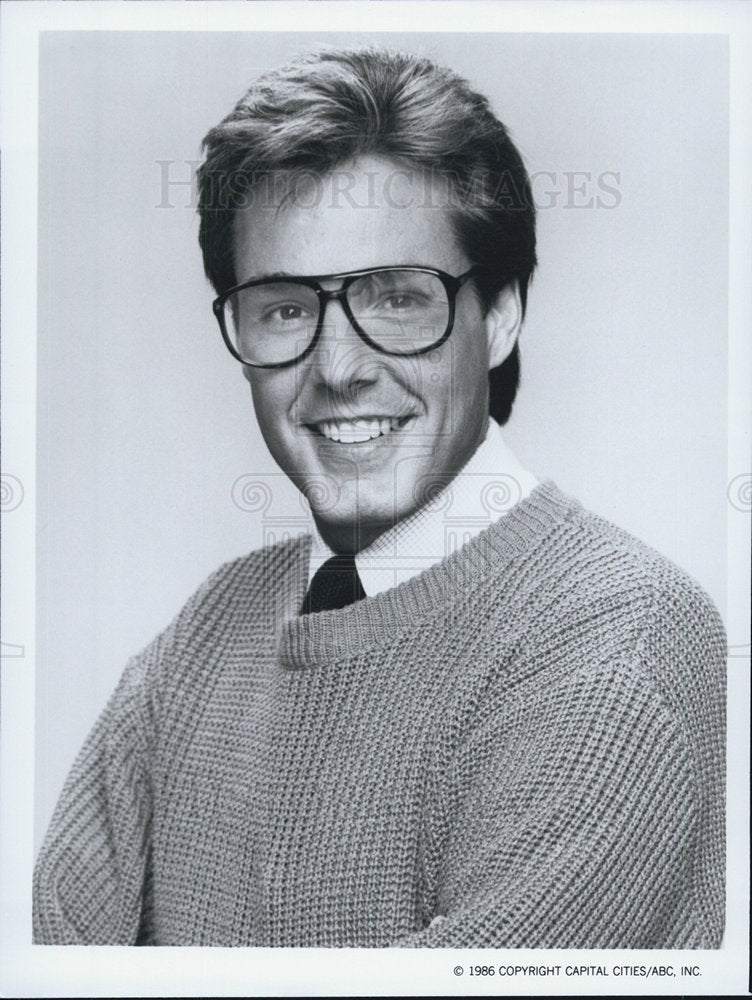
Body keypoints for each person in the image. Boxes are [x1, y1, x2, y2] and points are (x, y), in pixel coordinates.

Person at [33, 46, 726, 948]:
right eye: (284, 307)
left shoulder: (621, 642)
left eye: (398, 297)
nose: (338, 367)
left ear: (504, 313)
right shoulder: (207, 633)